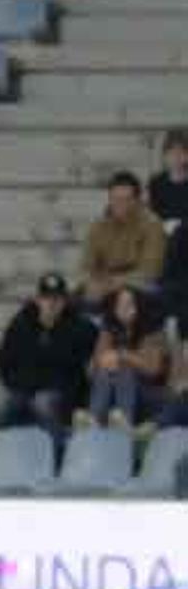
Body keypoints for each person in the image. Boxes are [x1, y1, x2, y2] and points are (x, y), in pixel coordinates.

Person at [0, 272, 96, 438]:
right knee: (1, 405)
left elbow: (78, 371)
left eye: (57, 299)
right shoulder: (21, 324)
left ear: (65, 301)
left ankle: (58, 448)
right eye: (47, 298)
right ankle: (8, 455)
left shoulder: (80, 327)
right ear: (37, 299)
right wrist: (20, 384)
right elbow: (3, 363)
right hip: (23, 388)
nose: (52, 303)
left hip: (61, 391)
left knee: (44, 403)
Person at [83, 285, 171, 430]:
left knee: (125, 371)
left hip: (150, 393)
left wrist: (122, 356)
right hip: (112, 391)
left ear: (138, 306)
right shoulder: (109, 329)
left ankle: (123, 423)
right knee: (105, 373)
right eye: (120, 304)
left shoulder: (152, 330)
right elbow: (91, 371)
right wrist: (101, 362)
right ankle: (94, 422)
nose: (123, 308)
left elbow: (153, 370)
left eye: (129, 303)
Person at [81, 172, 168, 307]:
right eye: (115, 199)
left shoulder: (152, 225)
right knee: (73, 299)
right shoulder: (98, 226)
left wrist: (115, 283)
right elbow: (86, 266)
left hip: (139, 284)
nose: (120, 204)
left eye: (127, 199)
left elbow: (151, 271)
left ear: (137, 200)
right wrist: (93, 282)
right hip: (106, 282)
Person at [146, 128, 188, 226]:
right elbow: (152, 214)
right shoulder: (155, 183)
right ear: (165, 156)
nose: (176, 157)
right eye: (172, 153)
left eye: (181, 152)